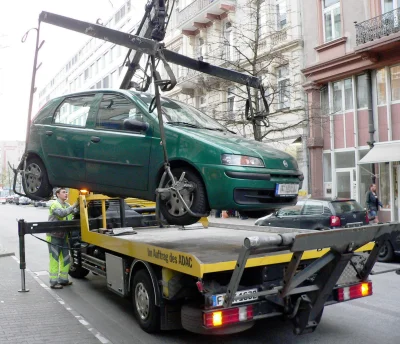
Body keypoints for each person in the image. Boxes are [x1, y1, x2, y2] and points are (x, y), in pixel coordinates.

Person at [47, 187, 79, 289]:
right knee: (55, 259)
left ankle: (63, 279)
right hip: (54, 236)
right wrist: (74, 205)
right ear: (57, 194)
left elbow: (73, 213)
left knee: (66, 259)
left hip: (64, 236)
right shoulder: (54, 205)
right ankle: (53, 282)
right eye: (64, 192)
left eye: (67, 192)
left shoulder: (67, 205)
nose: (66, 194)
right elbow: (61, 213)